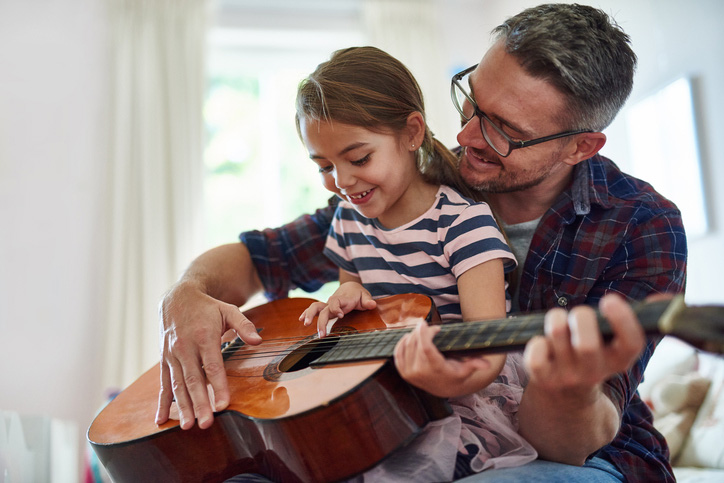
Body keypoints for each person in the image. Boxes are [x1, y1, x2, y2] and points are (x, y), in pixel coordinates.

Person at [157, 3, 687, 482]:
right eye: (470, 101)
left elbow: (566, 444)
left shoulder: (641, 226)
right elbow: (255, 259)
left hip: (580, 453)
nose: (465, 138)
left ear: (580, 146)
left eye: (502, 129)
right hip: (409, 425)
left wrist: (562, 387)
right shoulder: (401, 192)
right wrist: (187, 295)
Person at [290, 46, 536, 480]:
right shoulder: (348, 219)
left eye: (359, 158)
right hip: (390, 395)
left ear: (411, 133)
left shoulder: (462, 223)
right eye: (324, 166)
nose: (342, 182)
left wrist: (441, 381)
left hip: (463, 398)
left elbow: (488, 352)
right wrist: (347, 295)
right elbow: (354, 303)